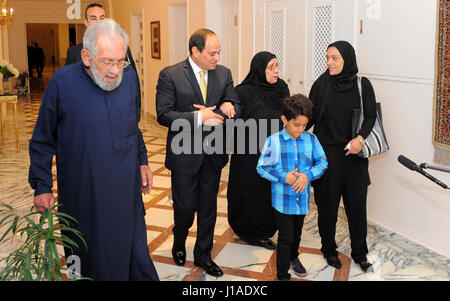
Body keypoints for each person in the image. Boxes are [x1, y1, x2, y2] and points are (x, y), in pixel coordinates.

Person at [28, 19, 159, 281]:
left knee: (135, 256)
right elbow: (43, 138)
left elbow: (133, 126)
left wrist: (142, 160)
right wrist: (42, 186)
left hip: (125, 190)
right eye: (107, 62)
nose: (114, 70)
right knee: (87, 259)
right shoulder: (62, 83)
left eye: (120, 61)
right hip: (83, 193)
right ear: (86, 57)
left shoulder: (129, 77)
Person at [156, 28, 241, 277]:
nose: (217, 57)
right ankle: (179, 240)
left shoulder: (223, 74)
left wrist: (226, 107)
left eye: (219, 53)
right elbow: (163, 113)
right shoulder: (170, 75)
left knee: (208, 209)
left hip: (213, 154)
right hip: (184, 155)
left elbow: (236, 103)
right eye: (212, 53)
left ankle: (203, 255)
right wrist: (197, 117)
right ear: (195, 50)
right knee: (184, 208)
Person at [307, 40, 376, 272]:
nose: (329, 62)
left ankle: (360, 253)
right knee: (327, 208)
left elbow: (370, 116)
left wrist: (360, 139)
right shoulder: (320, 84)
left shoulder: (362, 84)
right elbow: (310, 117)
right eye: (327, 58)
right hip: (327, 156)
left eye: (334, 58)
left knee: (357, 208)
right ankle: (329, 249)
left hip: (354, 155)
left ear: (347, 59)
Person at [257, 94, 328, 281]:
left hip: (302, 200)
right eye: (297, 125)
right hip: (282, 200)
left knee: (296, 234)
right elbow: (262, 167)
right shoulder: (273, 141)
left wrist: (308, 175)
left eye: (304, 125)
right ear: (284, 120)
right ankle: (282, 274)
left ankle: (294, 257)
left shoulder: (311, 140)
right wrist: (283, 177)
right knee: (285, 237)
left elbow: (322, 161)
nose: (300, 129)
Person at [227, 51, 289, 250]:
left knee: (267, 192)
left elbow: (287, 118)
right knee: (248, 192)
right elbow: (234, 123)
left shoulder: (282, 89)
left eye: (277, 66)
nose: (276, 71)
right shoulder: (243, 91)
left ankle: (265, 230)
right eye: (271, 67)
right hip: (248, 153)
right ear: (259, 70)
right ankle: (244, 227)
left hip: (273, 150)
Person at [64, 3, 142, 118]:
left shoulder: (121, 47)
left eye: (102, 18)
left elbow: (133, 82)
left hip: (117, 112)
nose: (98, 22)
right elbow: (68, 87)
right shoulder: (74, 52)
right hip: (86, 114)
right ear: (86, 22)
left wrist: (136, 113)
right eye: (93, 18)